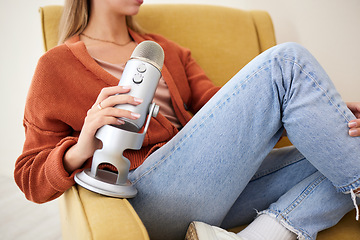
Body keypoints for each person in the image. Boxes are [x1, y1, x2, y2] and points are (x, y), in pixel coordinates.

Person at [14, 0, 360, 240]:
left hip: (208, 188)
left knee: (341, 144)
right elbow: (29, 178)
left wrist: (323, 110)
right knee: (287, 62)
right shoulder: (55, 66)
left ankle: (264, 233)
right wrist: (83, 144)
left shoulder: (169, 51)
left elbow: (224, 107)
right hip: (143, 193)